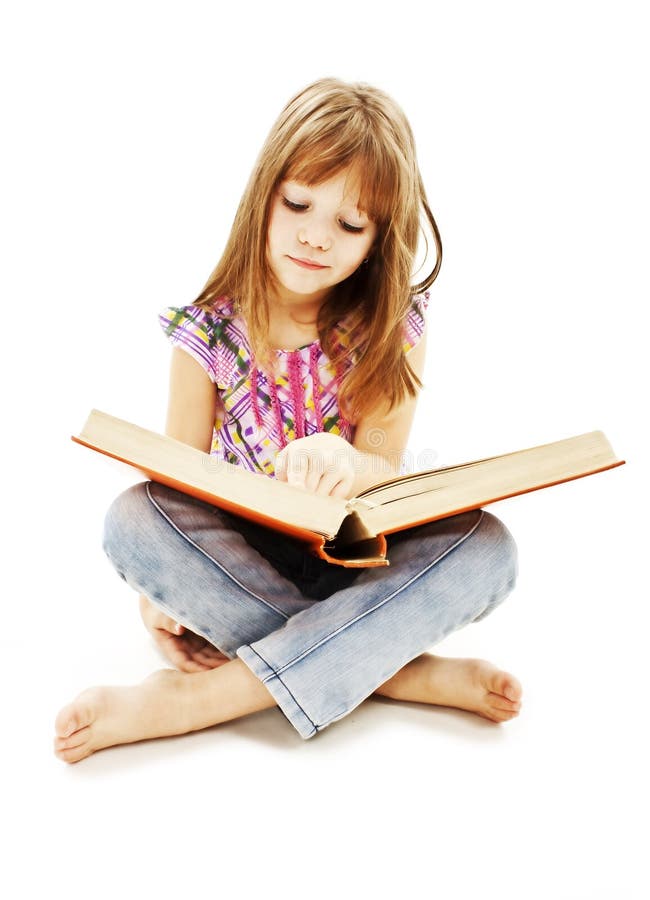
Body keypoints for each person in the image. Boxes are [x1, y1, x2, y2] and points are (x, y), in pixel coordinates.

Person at [54, 78, 521, 763]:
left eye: (349, 223)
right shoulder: (208, 334)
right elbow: (176, 478)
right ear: (264, 195)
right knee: (133, 520)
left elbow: (383, 462)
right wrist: (154, 597)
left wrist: (349, 463)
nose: (315, 236)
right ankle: (392, 670)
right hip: (241, 565)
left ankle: (209, 698)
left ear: (379, 238)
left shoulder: (393, 327)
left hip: (361, 563)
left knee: (489, 548)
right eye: (299, 203)